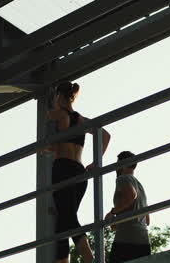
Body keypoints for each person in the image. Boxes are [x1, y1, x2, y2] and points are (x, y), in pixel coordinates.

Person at [47, 81, 111, 263]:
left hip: (63, 169)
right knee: (64, 220)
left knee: (67, 218)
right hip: (79, 171)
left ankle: (91, 259)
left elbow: (45, 121)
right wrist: (96, 162)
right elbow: (105, 134)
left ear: (58, 96)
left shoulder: (58, 114)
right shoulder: (81, 119)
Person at [105, 151, 150, 263]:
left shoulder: (123, 178)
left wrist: (113, 212)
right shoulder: (140, 186)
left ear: (122, 164)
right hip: (143, 241)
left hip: (125, 240)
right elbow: (147, 220)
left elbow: (131, 195)